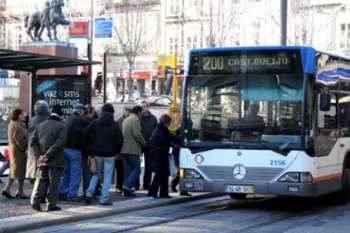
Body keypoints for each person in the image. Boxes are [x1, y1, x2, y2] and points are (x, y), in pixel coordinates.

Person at [83, 104, 124, 206]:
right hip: (110, 154)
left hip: (97, 153)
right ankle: (104, 199)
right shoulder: (114, 124)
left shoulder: (96, 123)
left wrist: (91, 146)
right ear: (112, 112)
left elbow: (85, 133)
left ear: (101, 112)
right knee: (107, 176)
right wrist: (116, 151)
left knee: (96, 174)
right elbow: (120, 140)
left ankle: (88, 194)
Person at [30, 104, 67, 211]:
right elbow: (59, 143)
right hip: (55, 159)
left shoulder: (39, 126)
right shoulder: (62, 126)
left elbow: (33, 142)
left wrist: (39, 155)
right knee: (53, 182)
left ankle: (35, 201)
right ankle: (51, 204)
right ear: (60, 116)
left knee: (41, 180)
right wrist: (47, 156)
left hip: (41, 159)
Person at [59, 103, 89, 201]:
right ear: (80, 111)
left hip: (65, 149)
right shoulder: (82, 121)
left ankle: (62, 192)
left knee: (66, 173)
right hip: (75, 150)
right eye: (83, 111)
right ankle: (72, 194)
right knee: (75, 174)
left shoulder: (68, 119)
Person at [147, 114, 179, 198]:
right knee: (160, 174)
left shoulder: (159, 128)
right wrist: (180, 138)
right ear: (167, 122)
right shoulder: (163, 130)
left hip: (159, 154)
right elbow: (170, 138)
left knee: (164, 174)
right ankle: (153, 192)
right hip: (160, 156)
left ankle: (163, 193)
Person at [2, 108, 28, 199]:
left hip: (15, 151)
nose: (24, 116)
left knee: (15, 171)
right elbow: (18, 138)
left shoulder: (13, 124)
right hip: (19, 152)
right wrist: (25, 148)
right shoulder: (17, 125)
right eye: (22, 114)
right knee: (20, 171)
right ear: (18, 115)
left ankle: (7, 189)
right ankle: (19, 191)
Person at [120, 106, 146, 197]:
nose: (142, 115)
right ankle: (127, 186)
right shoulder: (135, 120)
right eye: (141, 113)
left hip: (124, 149)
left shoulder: (126, 119)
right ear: (138, 112)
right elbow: (137, 134)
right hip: (133, 149)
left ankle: (126, 190)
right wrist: (144, 143)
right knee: (137, 169)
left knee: (127, 170)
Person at [26, 100, 50, 183]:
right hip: (39, 147)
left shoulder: (32, 119)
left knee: (32, 167)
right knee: (40, 170)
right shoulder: (45, 119)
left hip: (31, 146)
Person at [139, 100, 157, 190]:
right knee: (136, 165)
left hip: (149, 145)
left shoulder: (153, 118)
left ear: (148, 107)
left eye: (144, 106)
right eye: (141, 106)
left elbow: (155, 131)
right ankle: (136, 183)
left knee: (148, 166)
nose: (142, 108)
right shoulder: (137, 118)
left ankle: (146, 184)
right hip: (138, 144)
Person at [115, 105, 132, 193]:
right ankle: (119, 186)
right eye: (127, 110)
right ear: (124, 110)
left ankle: (125, 185)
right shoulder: (119, 121)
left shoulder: (132, 120)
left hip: (129, 148)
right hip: (120, 149)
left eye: (130, 110)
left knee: (128, 168)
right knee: (120, 168)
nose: (128, 112)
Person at [81, 105, 95, 196]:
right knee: (87, 172)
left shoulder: (80, 120)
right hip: (88, 151)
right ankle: (87, 192)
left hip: (80, 149)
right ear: (89, 113)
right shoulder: (89, 123)